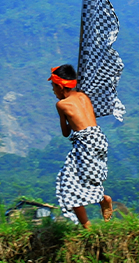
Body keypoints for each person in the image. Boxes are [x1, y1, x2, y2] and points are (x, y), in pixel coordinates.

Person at [49, 64, 114, 227]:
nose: (53, 91)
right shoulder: (84, 96)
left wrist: (66, 120)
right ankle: (100, 200)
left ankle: (89, 225)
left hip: (85, 143)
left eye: (53, 87)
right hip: (99, 138)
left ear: (60, 86)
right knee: (86, 178)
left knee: (67, 184)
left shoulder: (61, 105)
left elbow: (66, 132)